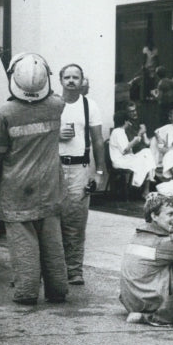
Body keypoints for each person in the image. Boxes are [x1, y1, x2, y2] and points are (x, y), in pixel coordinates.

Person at [0, 53, 69, 306]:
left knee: (23, 244)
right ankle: (58, 290)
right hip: (50, 187)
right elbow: (55, 96)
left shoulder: (4, 114)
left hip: (16, 191)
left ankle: (27, 292)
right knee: (52, 243)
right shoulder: (56, 106)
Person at [119, 193, 173, 327]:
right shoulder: (161, 242)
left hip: (132, 300)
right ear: (154, 216)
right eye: (170, 214)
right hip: (151, 301)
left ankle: (143, 315)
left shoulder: (138, 235)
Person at [58, 63, 107, 286]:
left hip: (80, 168)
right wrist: (56, 134)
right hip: (54, 168)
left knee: (76, 221)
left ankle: (75, 270)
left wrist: (98, 173)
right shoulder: (53, 105)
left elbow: (98, 140)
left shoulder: (90, 106)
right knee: (50, 220)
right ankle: (52, 270)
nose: (71, 81)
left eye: (75, 77)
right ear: (60, 80)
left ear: (81, 81)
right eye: (67, 77)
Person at [108, 102, 157, 198]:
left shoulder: (120, 131)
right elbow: (124, 150)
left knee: (147, 153)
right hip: (121, 161)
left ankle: (140, 183)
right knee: (146, 159)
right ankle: (139, 183)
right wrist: (135, 140)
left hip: (127, 158)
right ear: (126, 121)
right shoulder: (118, 132)